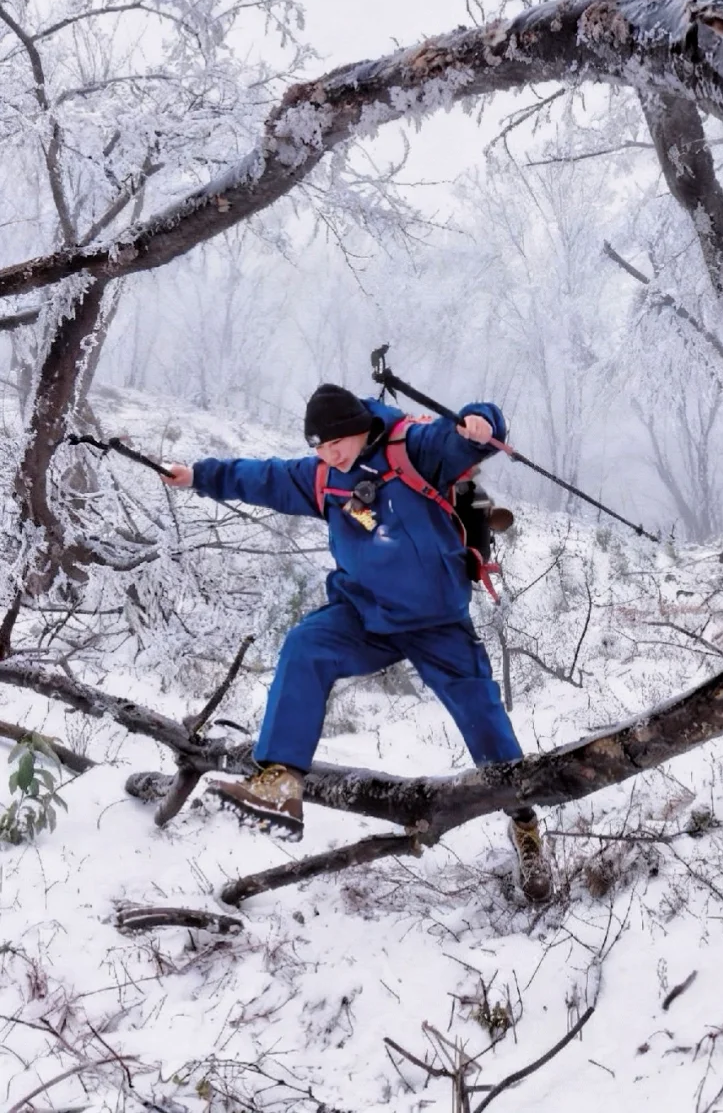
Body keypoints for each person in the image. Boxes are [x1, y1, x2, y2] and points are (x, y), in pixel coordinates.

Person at [162, 382, 552, 903]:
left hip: (436, 622)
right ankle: (278, 786)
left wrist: (481, 422)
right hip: (363, 614)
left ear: (358, 428)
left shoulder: (412, 450)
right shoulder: (324, 477)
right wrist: (199, 476)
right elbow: (265, 477)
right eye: (319, 448)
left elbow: (459, 438)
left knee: (484, 719)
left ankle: (523, 821)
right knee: (306, 646)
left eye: (335, 443)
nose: (329, 455)